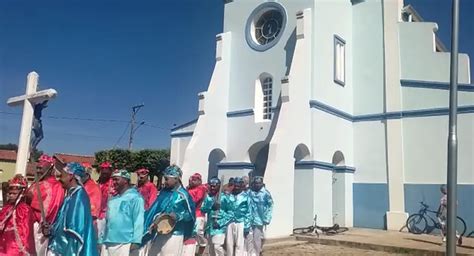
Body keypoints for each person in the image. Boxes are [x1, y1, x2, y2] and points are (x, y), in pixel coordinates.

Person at [45, 162, 98, 256]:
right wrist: (51, 229)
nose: (59, 179)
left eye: (62, 175)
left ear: (70, 176)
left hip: (66, 250)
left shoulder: (79, 197)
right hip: (57, 247)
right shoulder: (70, 196)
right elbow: (61, 223)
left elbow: (75, 231)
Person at [143, 165, 196, 256]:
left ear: (176, 179)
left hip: (175, 235)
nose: (165, 182)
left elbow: (190, 215)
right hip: (159, 233)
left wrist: (178, 216)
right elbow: (155, 210)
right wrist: (154, 221)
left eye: (167, 179)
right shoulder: (164, 193)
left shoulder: (183, 195)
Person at [25, 154, 65, 256]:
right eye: (37, 168)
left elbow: (53, 208)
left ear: (50, 169)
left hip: (41, 227)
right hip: (28, 225)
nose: (38, 171)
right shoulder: (36, 183)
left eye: (41, 168)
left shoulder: (57, 186)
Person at [101, 169, 145, 256]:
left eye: (116, 179)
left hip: (125, 243)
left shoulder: (136, 198)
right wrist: (100, 239)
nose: (114, 182)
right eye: (113, 179)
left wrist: (136, 241)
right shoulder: (113, 199)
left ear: (125, 180)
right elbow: (107, 221)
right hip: (107, 242)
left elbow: (138, 220)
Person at [0, 174, 36, 255]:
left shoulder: (25, 209)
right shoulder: (7, 208)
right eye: (10, 193)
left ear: (22, 194)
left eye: (14, 193)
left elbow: (25, 233)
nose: (11, 196)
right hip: (3, 244)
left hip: (15, 248)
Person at [201, 177, 232, 256]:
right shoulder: (208, 197)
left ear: (219, 186)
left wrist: (220, 223)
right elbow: (203, 209)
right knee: (211, 249)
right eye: (211, 186)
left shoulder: (224, 197)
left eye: (214, 186)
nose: (212, 188)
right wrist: (211, 206)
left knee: (217, 246)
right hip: (210, 227)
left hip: (220, 227)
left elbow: (231, 213)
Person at [226, 177, 252, 256]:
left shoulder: (246, 197)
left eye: (238, 186)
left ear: (241, 186)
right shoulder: (228, 196)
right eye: (235, 185)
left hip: (241, 222)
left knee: (239, 244)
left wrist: (247, 226)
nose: (236, 187)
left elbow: (249, 212)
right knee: (229, 243)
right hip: (229, 222)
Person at [183, 173, 208, 256]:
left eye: (195, 180)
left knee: (197, 231)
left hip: (198, 213)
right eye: (191, 180)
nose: (192, 181)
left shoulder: (201, 189)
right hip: (188, 214)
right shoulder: (188, 190)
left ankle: (202, 244)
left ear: (199, 181)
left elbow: (195, 200)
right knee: (189, 233)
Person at [248, 176, 273, 256]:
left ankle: (257, 253)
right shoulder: (249, 192)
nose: (257, 185)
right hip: (249, 219)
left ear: (262, 184)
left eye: (259, 183)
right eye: (256, 183)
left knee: (256, 238)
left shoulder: (265, 193)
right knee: (249, 239)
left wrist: (267, 218)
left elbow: (270, 206)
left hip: (259, 219)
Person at [97, 161, 116, 244]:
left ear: (110, 171)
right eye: (103, 170)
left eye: (106, 170)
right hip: (97, 215)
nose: (104, 172)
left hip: (109, 215)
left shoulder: (114, 184)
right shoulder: (98, 183)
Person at [80, 162, 102, 226]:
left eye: (81, 174)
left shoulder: (94, 188)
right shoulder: (81, 185)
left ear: (87, 174)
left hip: (88, 223)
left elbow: (93, 211)